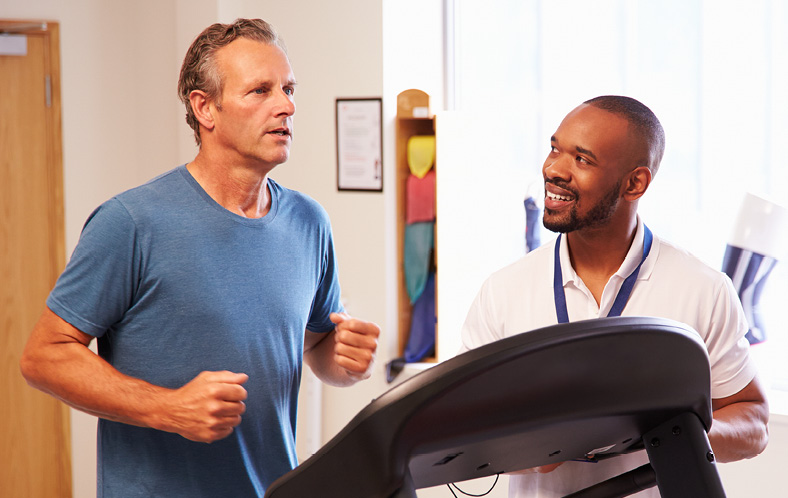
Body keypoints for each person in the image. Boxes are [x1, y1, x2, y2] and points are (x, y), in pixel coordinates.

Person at [19, 18, 380, 497]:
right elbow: (44, 356)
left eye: (288, 89)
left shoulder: (309, 223)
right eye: (261, 91)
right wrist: (167, 408)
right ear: (205, 108)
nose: (287, 105)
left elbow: (316, 347)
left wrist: (345, 358)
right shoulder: (130, 222)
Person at [459, 96, 769, 497]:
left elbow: (754, 423)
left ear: (634, 183)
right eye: (555, 149)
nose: (554, 169)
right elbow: (461, 429)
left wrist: (675, 434)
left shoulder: (702, 287)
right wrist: (528, 446)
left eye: (582, 159)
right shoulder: (503, 291)